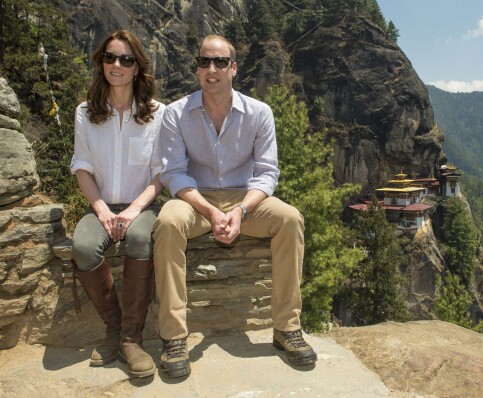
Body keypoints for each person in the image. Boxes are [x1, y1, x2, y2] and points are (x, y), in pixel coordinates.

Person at [153, 34, 317, 379]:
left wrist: (240, 211)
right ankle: (173, 336)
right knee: (167, 222)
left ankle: (286, 327)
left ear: (233, 68)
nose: (211, 69)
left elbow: (267, 173)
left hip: (245, 198)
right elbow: (174, 174)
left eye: (220, 62)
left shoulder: (259, 113)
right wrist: (212, 212)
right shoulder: (175, 113)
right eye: (204, 62)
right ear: (197, 68)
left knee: (290, 218)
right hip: (195, 199)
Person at [70, 30, 165, 378]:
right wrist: (102, 210)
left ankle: (131, 338)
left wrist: (133, 210)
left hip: (144, 204)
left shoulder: (157, 113)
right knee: (82, 245)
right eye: (110, 57)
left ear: (137, 67)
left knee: (140, 239)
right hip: (101, 203)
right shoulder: (86, 112)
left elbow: (160, 175)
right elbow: (82, 168)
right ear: (101, 62)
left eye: (126, 59)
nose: (117, 65)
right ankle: (113, 328)